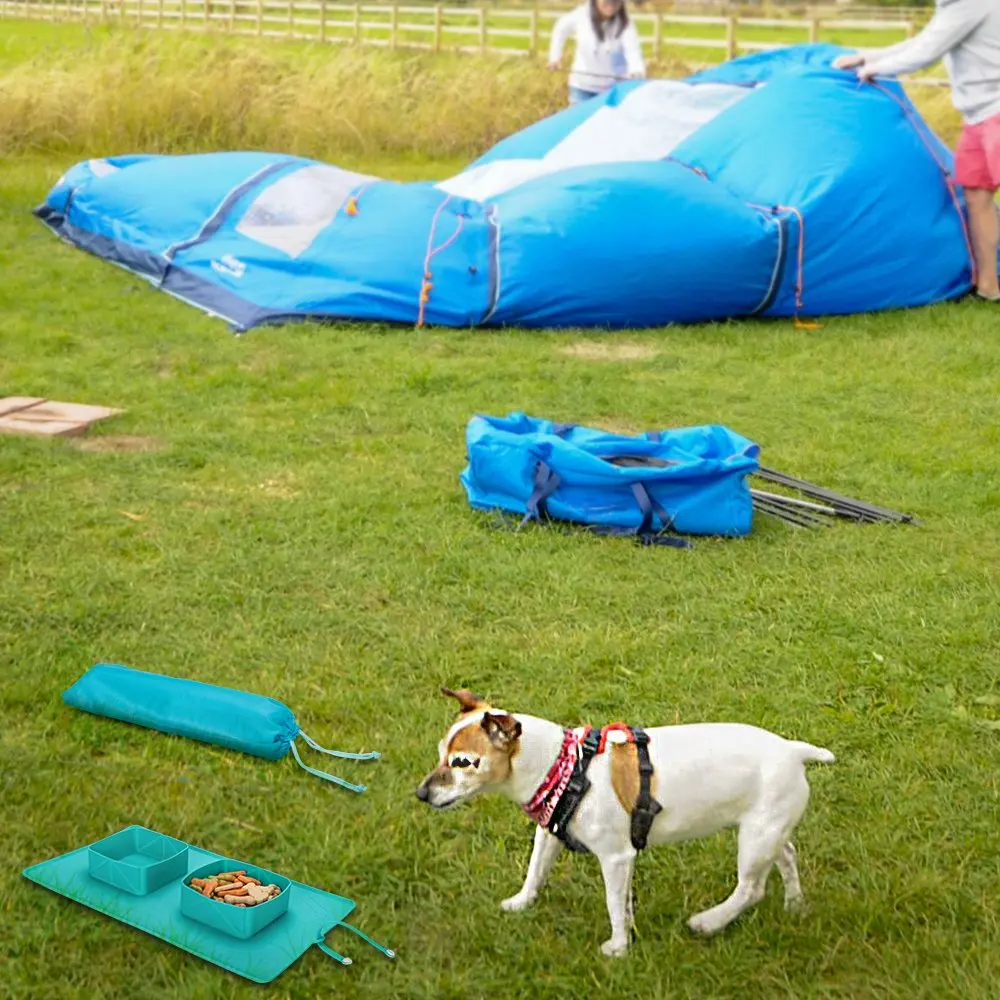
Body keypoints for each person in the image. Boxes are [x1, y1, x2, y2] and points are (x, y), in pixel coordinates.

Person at [833, 0, 1000, 302]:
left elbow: (927, 53)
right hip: (976, 116)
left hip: (997, 113)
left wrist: (874, 69)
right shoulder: (951, 7)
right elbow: (923, 41)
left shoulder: (974, 3)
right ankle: (988, 288)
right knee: (976, 196)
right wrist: (865, 57)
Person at [547, 0, 646, 106]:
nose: (611, 4)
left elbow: (633, 51)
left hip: (614, 92)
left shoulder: (626, 24)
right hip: (582, 90)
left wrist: (637, 70)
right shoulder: (581, 15)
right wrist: (555, 57)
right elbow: (560, 29)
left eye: (616, 1)